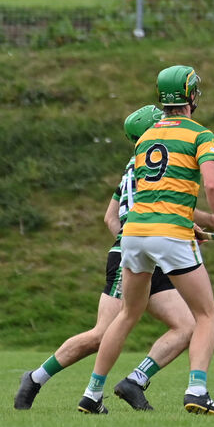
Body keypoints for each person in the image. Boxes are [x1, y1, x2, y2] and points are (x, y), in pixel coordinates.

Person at [76, 66, 214, 416]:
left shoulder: (145, 137)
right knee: (205, 313)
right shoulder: (201, 134)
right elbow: (211, 186)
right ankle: (197, 390)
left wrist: (198, 225)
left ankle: (92, 394)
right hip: (170, 234)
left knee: (127, 316)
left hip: (133, 234)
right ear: (192, 96)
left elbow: (157, 192)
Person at [14, 105, 199, 411]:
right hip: (136, 253)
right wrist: (130, 245)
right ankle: (35, 378)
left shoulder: (138, 163)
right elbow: (164, 207)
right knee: (102, 334)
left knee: (186, 325)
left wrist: (130, 237)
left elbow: (110, 216)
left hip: (142, 251)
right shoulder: (155, 163)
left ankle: (135, 382)